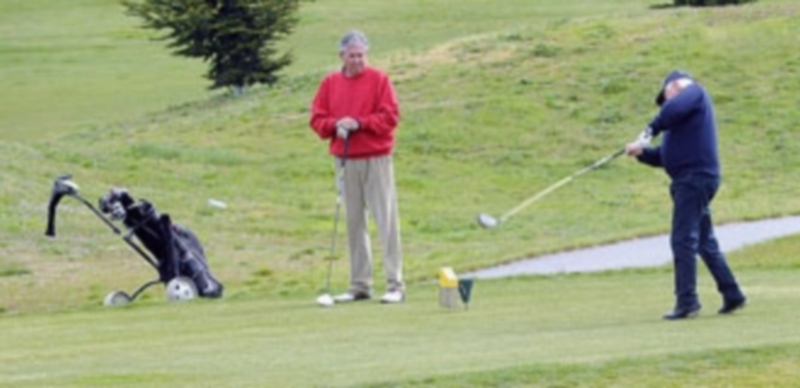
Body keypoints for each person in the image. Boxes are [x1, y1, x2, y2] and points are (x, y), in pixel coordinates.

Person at [625, 70, 746, 320]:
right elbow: (664, 156)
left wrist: (648, 132)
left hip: (694, 180)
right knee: (704, 241)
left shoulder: (695, 93)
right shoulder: (681, 122)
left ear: (675, 87)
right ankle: (732, 294)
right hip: (693, 180)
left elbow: (672, 110)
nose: (666, 104)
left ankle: (687, 301)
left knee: (682, 239)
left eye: (666, 97)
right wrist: (641, 153)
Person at [309, 30, 405, 304]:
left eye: (361, 55)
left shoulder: (379, 80)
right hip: (345, 159)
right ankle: (360, 285)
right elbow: (317, 119)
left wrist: (360, 123)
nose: (357, 60)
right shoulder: (330, 83)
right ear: (342, 56)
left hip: (376, 158)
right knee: (354, 222)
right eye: (352, 55)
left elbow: (390, 117)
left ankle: (395, 285)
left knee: (386, 220)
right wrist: (335, 125)